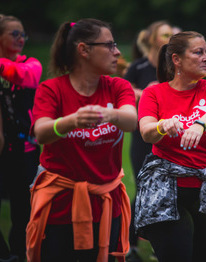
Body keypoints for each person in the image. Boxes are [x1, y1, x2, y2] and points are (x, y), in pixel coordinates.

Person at [26, 18, 137, 262]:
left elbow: (131, 121)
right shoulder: (52, 89)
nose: (117, 52)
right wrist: (72, 121)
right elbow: (41, 132)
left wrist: (110, 114)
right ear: (84, 50)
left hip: (105, 203)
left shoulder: (118, 86)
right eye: (109, 45)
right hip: (60, 205)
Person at [135, 31, 206, 262]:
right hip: (166, 191)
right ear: (176, 59)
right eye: (198, 52)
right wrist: (162, 126)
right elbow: (146, 132)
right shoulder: (154, 92)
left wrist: (200, 125)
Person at [123, 20, 173, 262]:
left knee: (166, 190)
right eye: (165, 34)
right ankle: (130, 244)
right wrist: (149, 93)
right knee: (144, 188)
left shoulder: (173, 66)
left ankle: (159, 246)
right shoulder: (138, 66)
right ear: (152, 38)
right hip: (143, 134)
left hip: (168, 135)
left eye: (172, 35)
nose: (169, 38)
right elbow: (125, 91)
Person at [0, 14, 42, 262]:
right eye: (14, 33)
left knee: (23, 210)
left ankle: (21, 254)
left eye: (22, 33)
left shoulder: (31, 63)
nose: (20, 38)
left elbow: (26, 77)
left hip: (24, 149)